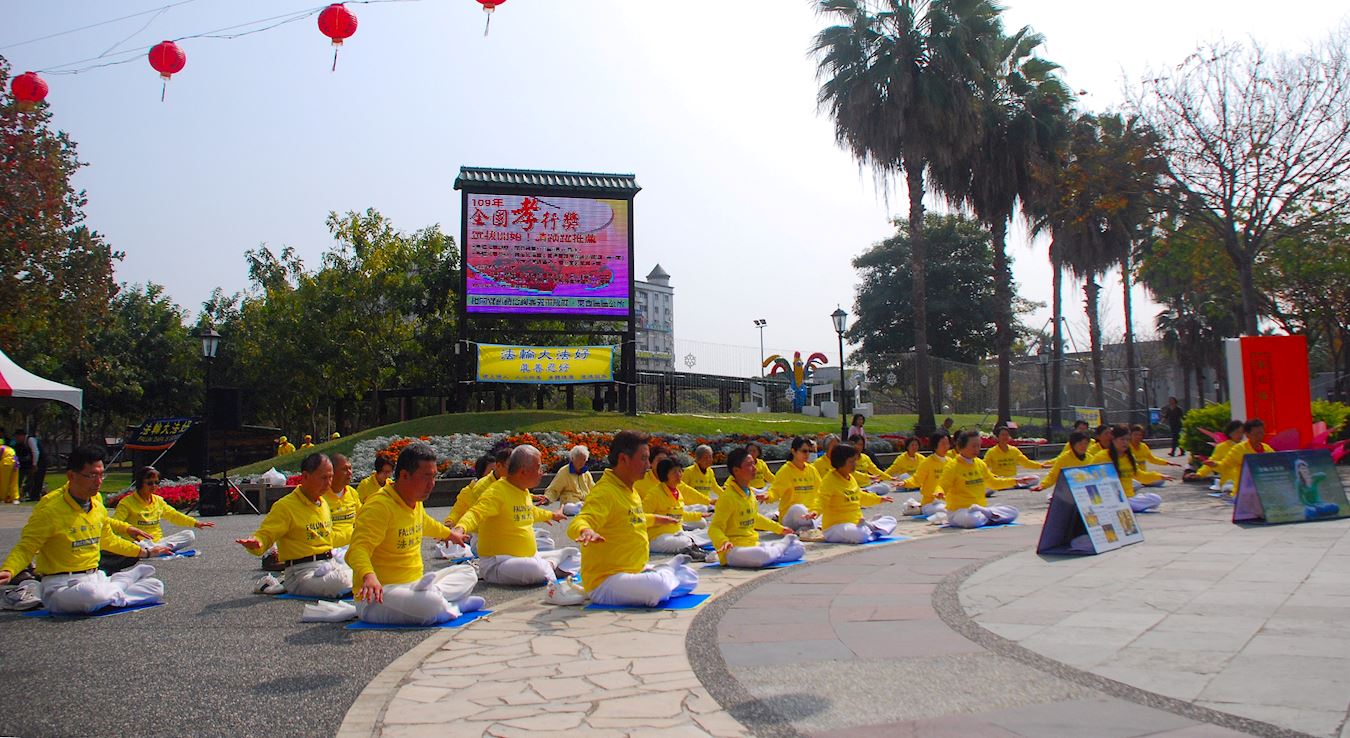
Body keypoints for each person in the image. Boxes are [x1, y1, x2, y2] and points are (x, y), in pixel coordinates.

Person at [0, 445, 169, 614]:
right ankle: (121, 583)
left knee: (156, 587)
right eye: (92, 475)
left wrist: (145, 552)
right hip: (61, 584)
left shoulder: (97, 505)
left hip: (95, 577)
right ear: (71, 476)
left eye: (101, 475)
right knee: (92, 595)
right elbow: (26, 547)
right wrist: (9, 570)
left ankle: (115, 588)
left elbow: (108, 540)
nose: (99, 481)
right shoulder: (50, 509)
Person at [347, 443, 485, 625]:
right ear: (404, 475)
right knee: (429, 603)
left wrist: (450, 534)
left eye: (434, 477)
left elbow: (425, 523)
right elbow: (357, 549)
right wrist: (369, 576)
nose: (432, 484)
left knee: (468, 572)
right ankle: (449, 604)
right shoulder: (379, 506)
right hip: (378, 595)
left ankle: (441, 602)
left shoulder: (414, 500)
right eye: (426, 477)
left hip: (414, 585)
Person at [566, 430, 699, 607]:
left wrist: (656, 519)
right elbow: (581, 519)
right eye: (643, 458)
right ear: (623, 459)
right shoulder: (605, 492)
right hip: (606, 581)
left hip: (634, 571)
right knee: (657, 586)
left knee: (691, 577)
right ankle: (667, 571)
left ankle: (664, 575)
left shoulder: (630, 490)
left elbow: (631, 518)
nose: (648, 465)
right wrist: (586, 530)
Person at [447, 445, 579, 586]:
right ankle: (549, 567)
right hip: (499, 562)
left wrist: (551, 515)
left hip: (527, 557)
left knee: (575, 555)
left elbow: (530, 511)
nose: (542, 473)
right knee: (534, 568)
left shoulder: (522, 490)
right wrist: (459, 529)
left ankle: (548, 567)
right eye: (539, 468)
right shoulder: (496, 491)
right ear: (523, 472)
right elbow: (475, 513)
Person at [236, 453, 353, 598]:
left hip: (329, 563)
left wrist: (359, 534)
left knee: (368, 571)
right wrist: (257, 542)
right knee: (344, 581)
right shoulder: (286, 506)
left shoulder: (322, 503)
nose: (328, 483)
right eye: (323, 478)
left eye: (331, 477)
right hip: (302, 572)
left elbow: (329, 537)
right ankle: (286, 584)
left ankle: (280, 583)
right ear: (305, 476)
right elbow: (266, 534)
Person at [103, 466, 214, 572]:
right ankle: (152, 551)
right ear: (140, 483)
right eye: (149, 483)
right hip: (138, 543)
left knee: (189, 535)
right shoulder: (127, 503)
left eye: (156, 483)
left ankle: (155, 550)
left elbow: (174, 515)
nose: (154, 486)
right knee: (140, 546)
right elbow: (114, 523)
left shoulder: (158, 501)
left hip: (158, 541)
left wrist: (195, 523)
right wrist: (129, 529)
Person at [709, 447, 802, 568]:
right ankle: (780, 547)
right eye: (749, 465)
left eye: (754, 464)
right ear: (736, 470)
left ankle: (774, 552)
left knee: (799, 548)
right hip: (733, 550)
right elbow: (714, 528)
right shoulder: (727, 497)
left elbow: (754, 518)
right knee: (761, 554)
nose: (754, 468)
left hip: (753, 544)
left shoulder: (750, 493)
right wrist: (723, 541)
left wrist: (780, 529)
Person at [940, 431, 1034, 528]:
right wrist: (939, 492)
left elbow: (993, 483)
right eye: (973, 446)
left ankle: (987, 514)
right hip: (960, 511)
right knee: (971, 520)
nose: (977, 449)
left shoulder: (980, 464)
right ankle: (990, 516)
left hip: (980, 510)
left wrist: (1016, 481)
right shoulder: (952, 466)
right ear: (961, 447)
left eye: (978, 446)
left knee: (1013, 512)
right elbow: (942, 486)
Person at [816, 443, 897, 543]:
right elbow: (821, 499)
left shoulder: (850, 478)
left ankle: (868, 529)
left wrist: (879, 499)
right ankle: (869, 531)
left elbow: (860, 496)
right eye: (851, 461)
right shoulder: (829, 480)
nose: (855, 464)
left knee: (891, 520)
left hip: (855, 522)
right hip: (836, 527)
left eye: (855, 461)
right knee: (860, 535)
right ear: (840, 462)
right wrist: (815, 511)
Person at [641, 458, 712, 557]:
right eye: (674, 472)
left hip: (678, 533)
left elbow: (680, 515)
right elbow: (641, 517)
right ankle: (691, 545)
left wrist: (699, 515)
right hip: (658, 537)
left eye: (680, 471)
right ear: (665, 475)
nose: (679, 474)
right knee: (683, 541)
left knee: (710, 533)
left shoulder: (677, 492)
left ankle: (691, 545)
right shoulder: (654, 494)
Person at [1091, 425, 1170, 512]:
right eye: (1122, 439)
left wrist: (1159, 476)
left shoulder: (1129, 457)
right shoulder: (1102, 457)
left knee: (1155, 498)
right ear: (1113, 440)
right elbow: (1091, 476)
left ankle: (1128, 506)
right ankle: (1126, 506)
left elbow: (1140, 475)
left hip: (1129, 496)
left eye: (1127, 440)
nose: (1125, 443)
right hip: (1111, 497)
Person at [765, 437, 823, 532]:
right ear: (794, 451)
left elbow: (821, 493)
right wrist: (767, 496)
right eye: (804, 451)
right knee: (798, 508)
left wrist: (815, 510)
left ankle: (808, 528)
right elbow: (775, 491)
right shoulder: (786, 470)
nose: (807, 454)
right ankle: (812, 528)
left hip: (810, 514)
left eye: (809, 451)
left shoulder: (812, 470)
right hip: (790, 516)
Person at [1210, 418, 1275, 495]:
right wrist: (1215, 464)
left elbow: (1276, 462)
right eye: (1256, 434)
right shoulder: (1239, 449)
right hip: (1244, 493)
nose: (1260, 436)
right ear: (1247, 434)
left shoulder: (1267, 448)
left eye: (1261, 432)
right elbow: (1226, 465)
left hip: (1263, 491)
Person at [900, 432, 953, 517]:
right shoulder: (927, 462)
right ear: (935, 445)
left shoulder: (951, 462)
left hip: (948, 500)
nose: (946, 446)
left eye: (947, 443)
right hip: (931, 503)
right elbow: (917, 479)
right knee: (945, 510)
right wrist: (905, 483)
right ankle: (919, 508)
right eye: (943, 444)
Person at [1032, 431, 1097, 495]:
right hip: (1068, 493)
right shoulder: (1064, 459)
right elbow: (1053, 475)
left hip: (1087, 492)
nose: (1083, 446)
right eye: (1080, 444)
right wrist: (1043, 486)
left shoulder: (1091, 458)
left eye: (1086, 443)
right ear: (1072, 445)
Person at [1193, 420, 1244, 492]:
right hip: (1228, 483)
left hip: (1243, 482)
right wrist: (1200, 474)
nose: (1240, 435)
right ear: (1230, 433)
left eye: (1242, 432)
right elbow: (1211, 462)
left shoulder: (1244, 446)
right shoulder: (1222, 447)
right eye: (1237, 432)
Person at [544, 445, 594, 516]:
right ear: (572, 458)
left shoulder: (586, 473)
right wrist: (547, 498)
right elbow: (554, 488)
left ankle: (584, 509)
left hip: (585, 502)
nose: (581, 462)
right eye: (579, 459)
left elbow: (593, 489)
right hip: (570, 503)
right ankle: (583, 509)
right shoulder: (564, 471)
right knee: (569, 508)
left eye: (584, 460)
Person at [324, 454, 362, 542]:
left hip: (353, 544)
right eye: (344, 469)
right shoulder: (321, 495)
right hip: (330, 546)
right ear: (332, 472)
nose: (349, 472)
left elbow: (362, 519)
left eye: (350, 468)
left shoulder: (352, 492)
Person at [15, 429, 45, 502]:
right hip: (35, 461)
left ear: (22, 436)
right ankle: (33, 495)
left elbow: (35, 452)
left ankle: (35, 496)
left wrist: (34, 464)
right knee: (33, 479)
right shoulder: (24, 443)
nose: (17, 439)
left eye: (17, 437)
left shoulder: (30, 440)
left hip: (40, 461)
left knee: (38, 479)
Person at [0, 440, 19, 504]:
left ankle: (2, 497)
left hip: (6, 463)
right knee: (14, 481)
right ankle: (15, 498)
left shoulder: (1, 448)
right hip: (15, 462)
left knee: (3, 481)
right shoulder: (9, 448)